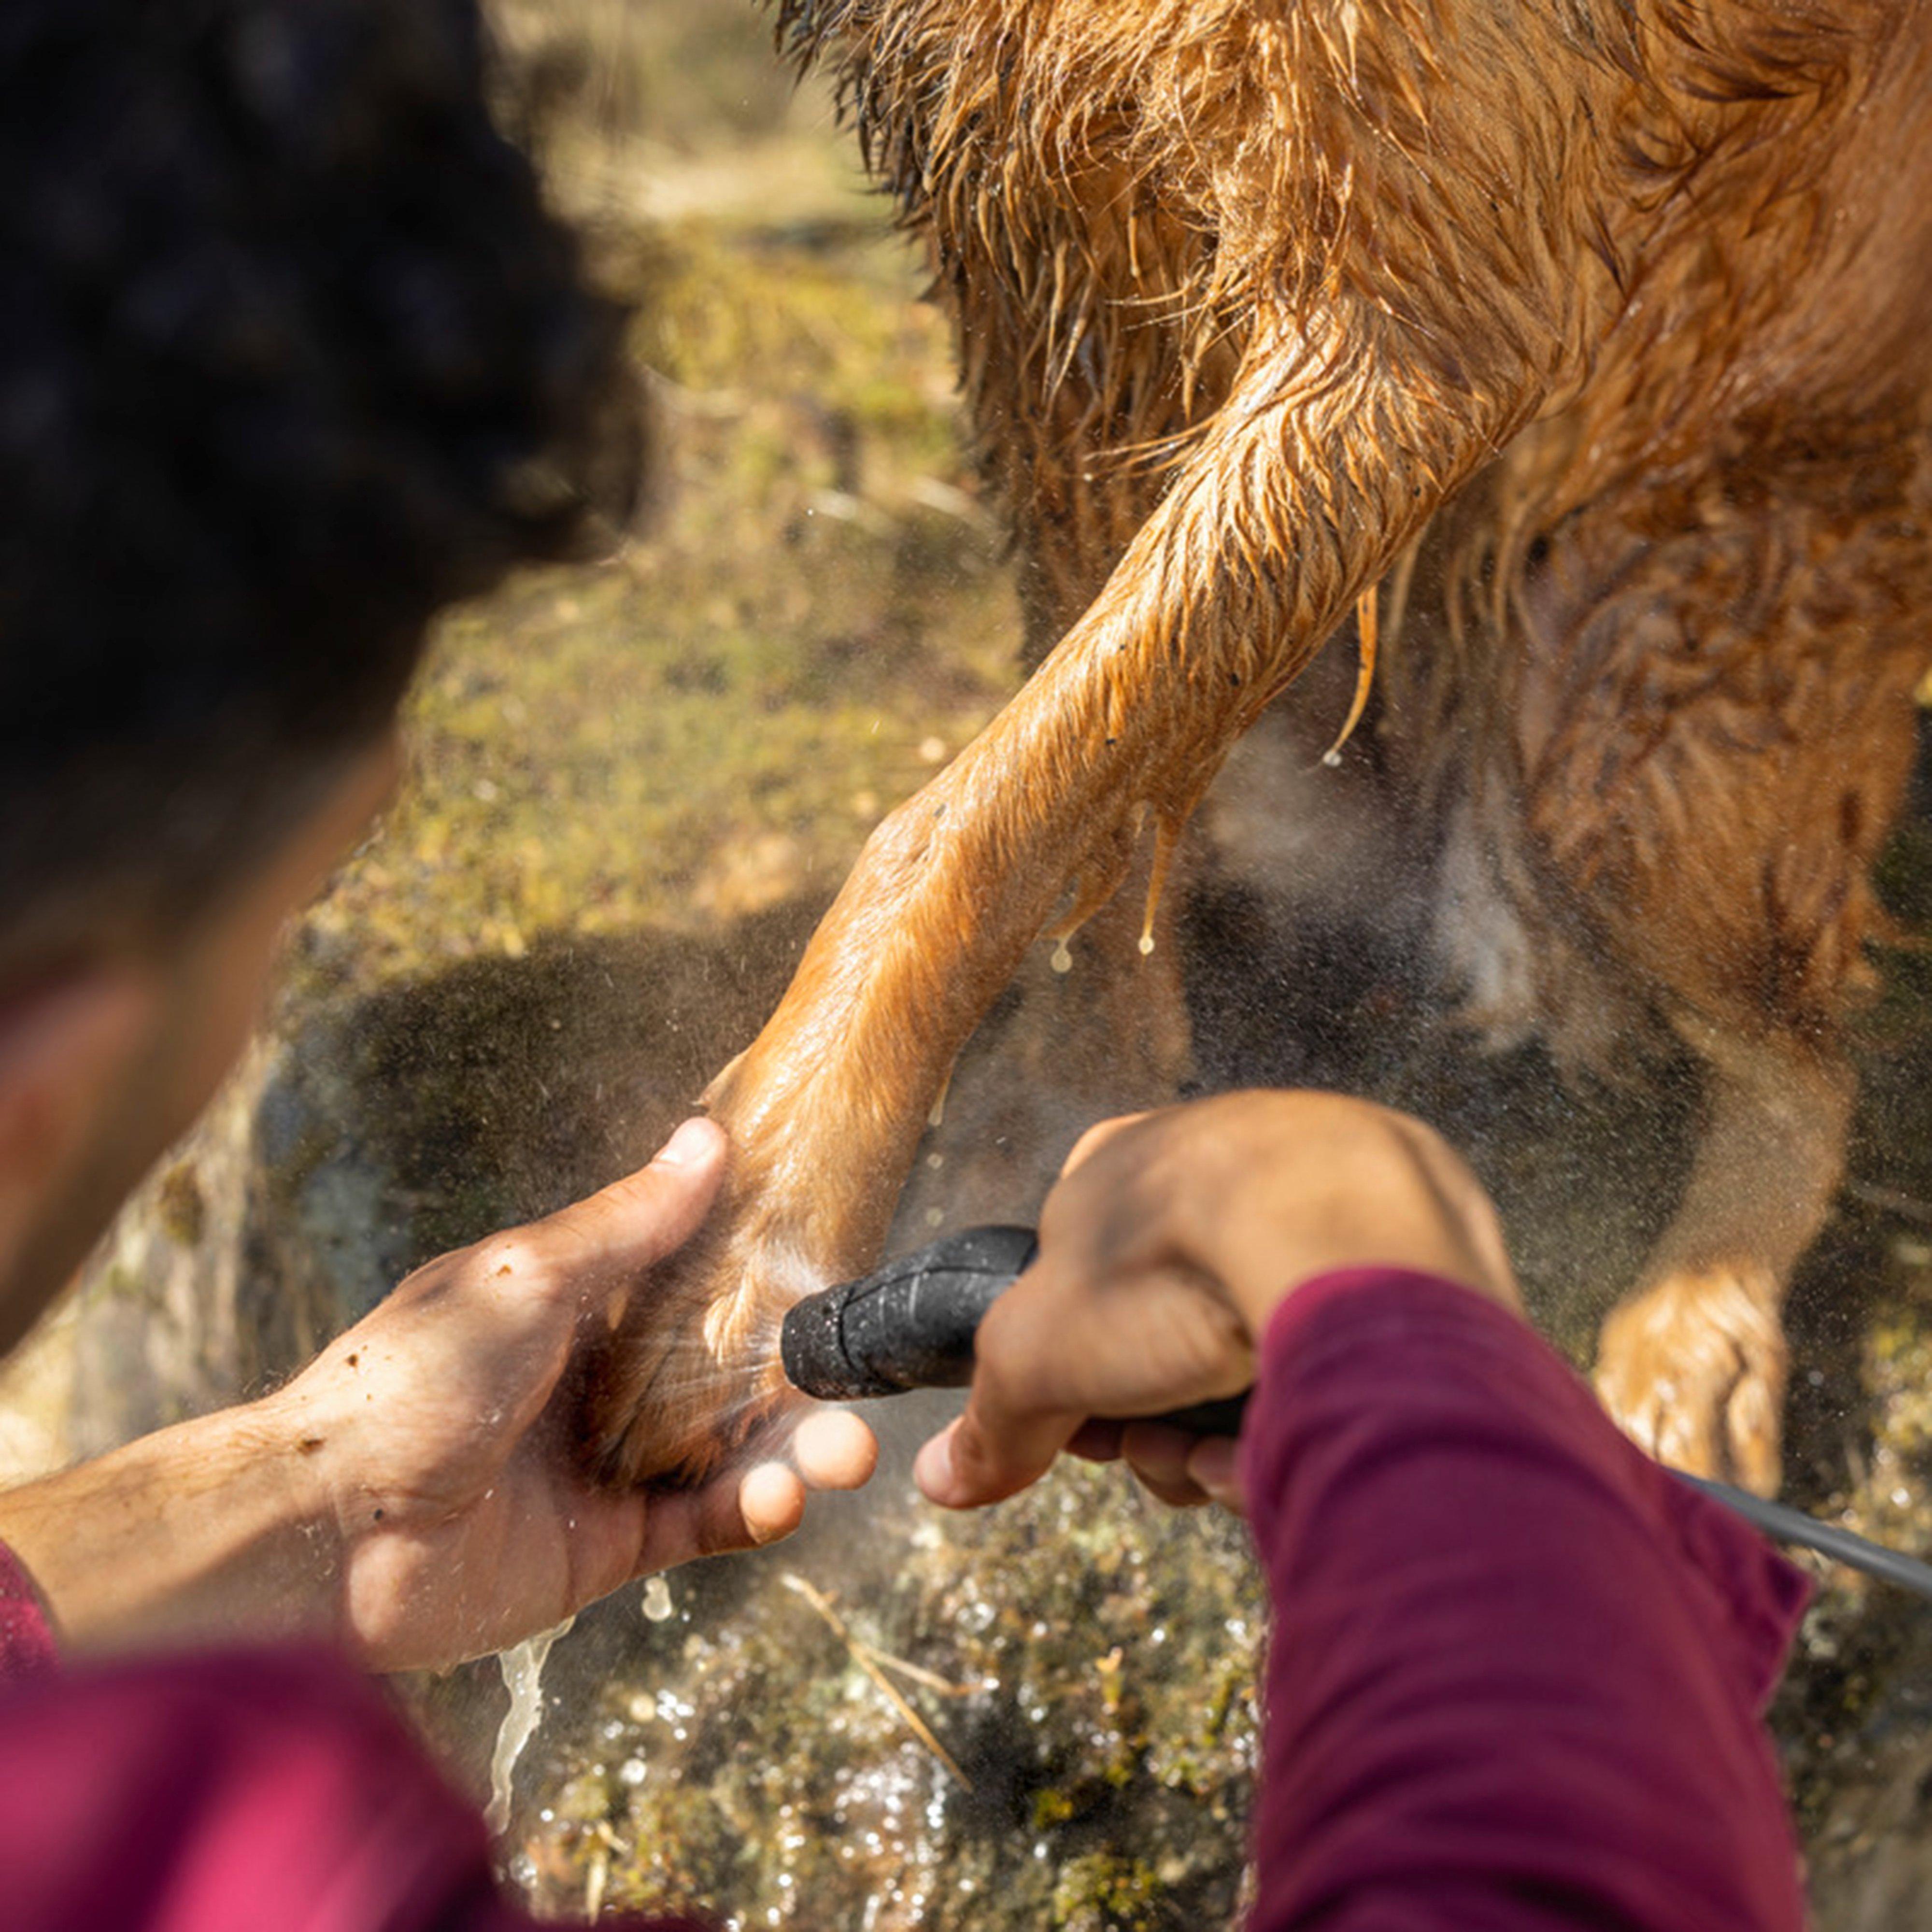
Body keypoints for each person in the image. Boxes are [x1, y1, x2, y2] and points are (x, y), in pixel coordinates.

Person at [0, 0, 1811, 1927]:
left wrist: (303, 1492)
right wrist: (1395, 1291)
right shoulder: (239, 1854)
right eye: (290, 895)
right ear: (51, 1069)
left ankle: (1769, 1141)